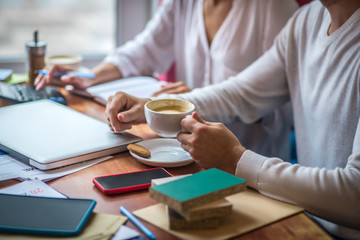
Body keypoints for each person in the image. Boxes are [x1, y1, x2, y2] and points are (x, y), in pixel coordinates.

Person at [105, 1, 360, 239]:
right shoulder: (307, 20)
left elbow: (355, 194)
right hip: (299, 213)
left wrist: (236, 159)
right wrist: (155, 106)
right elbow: (242, 92)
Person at [35, 0, 299, 161]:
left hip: (248, 160)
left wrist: (192, 98)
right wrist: (89, 77)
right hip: (185, 155)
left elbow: (282, 106)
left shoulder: (275, 6)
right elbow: (144, 49)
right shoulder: (182, 3)